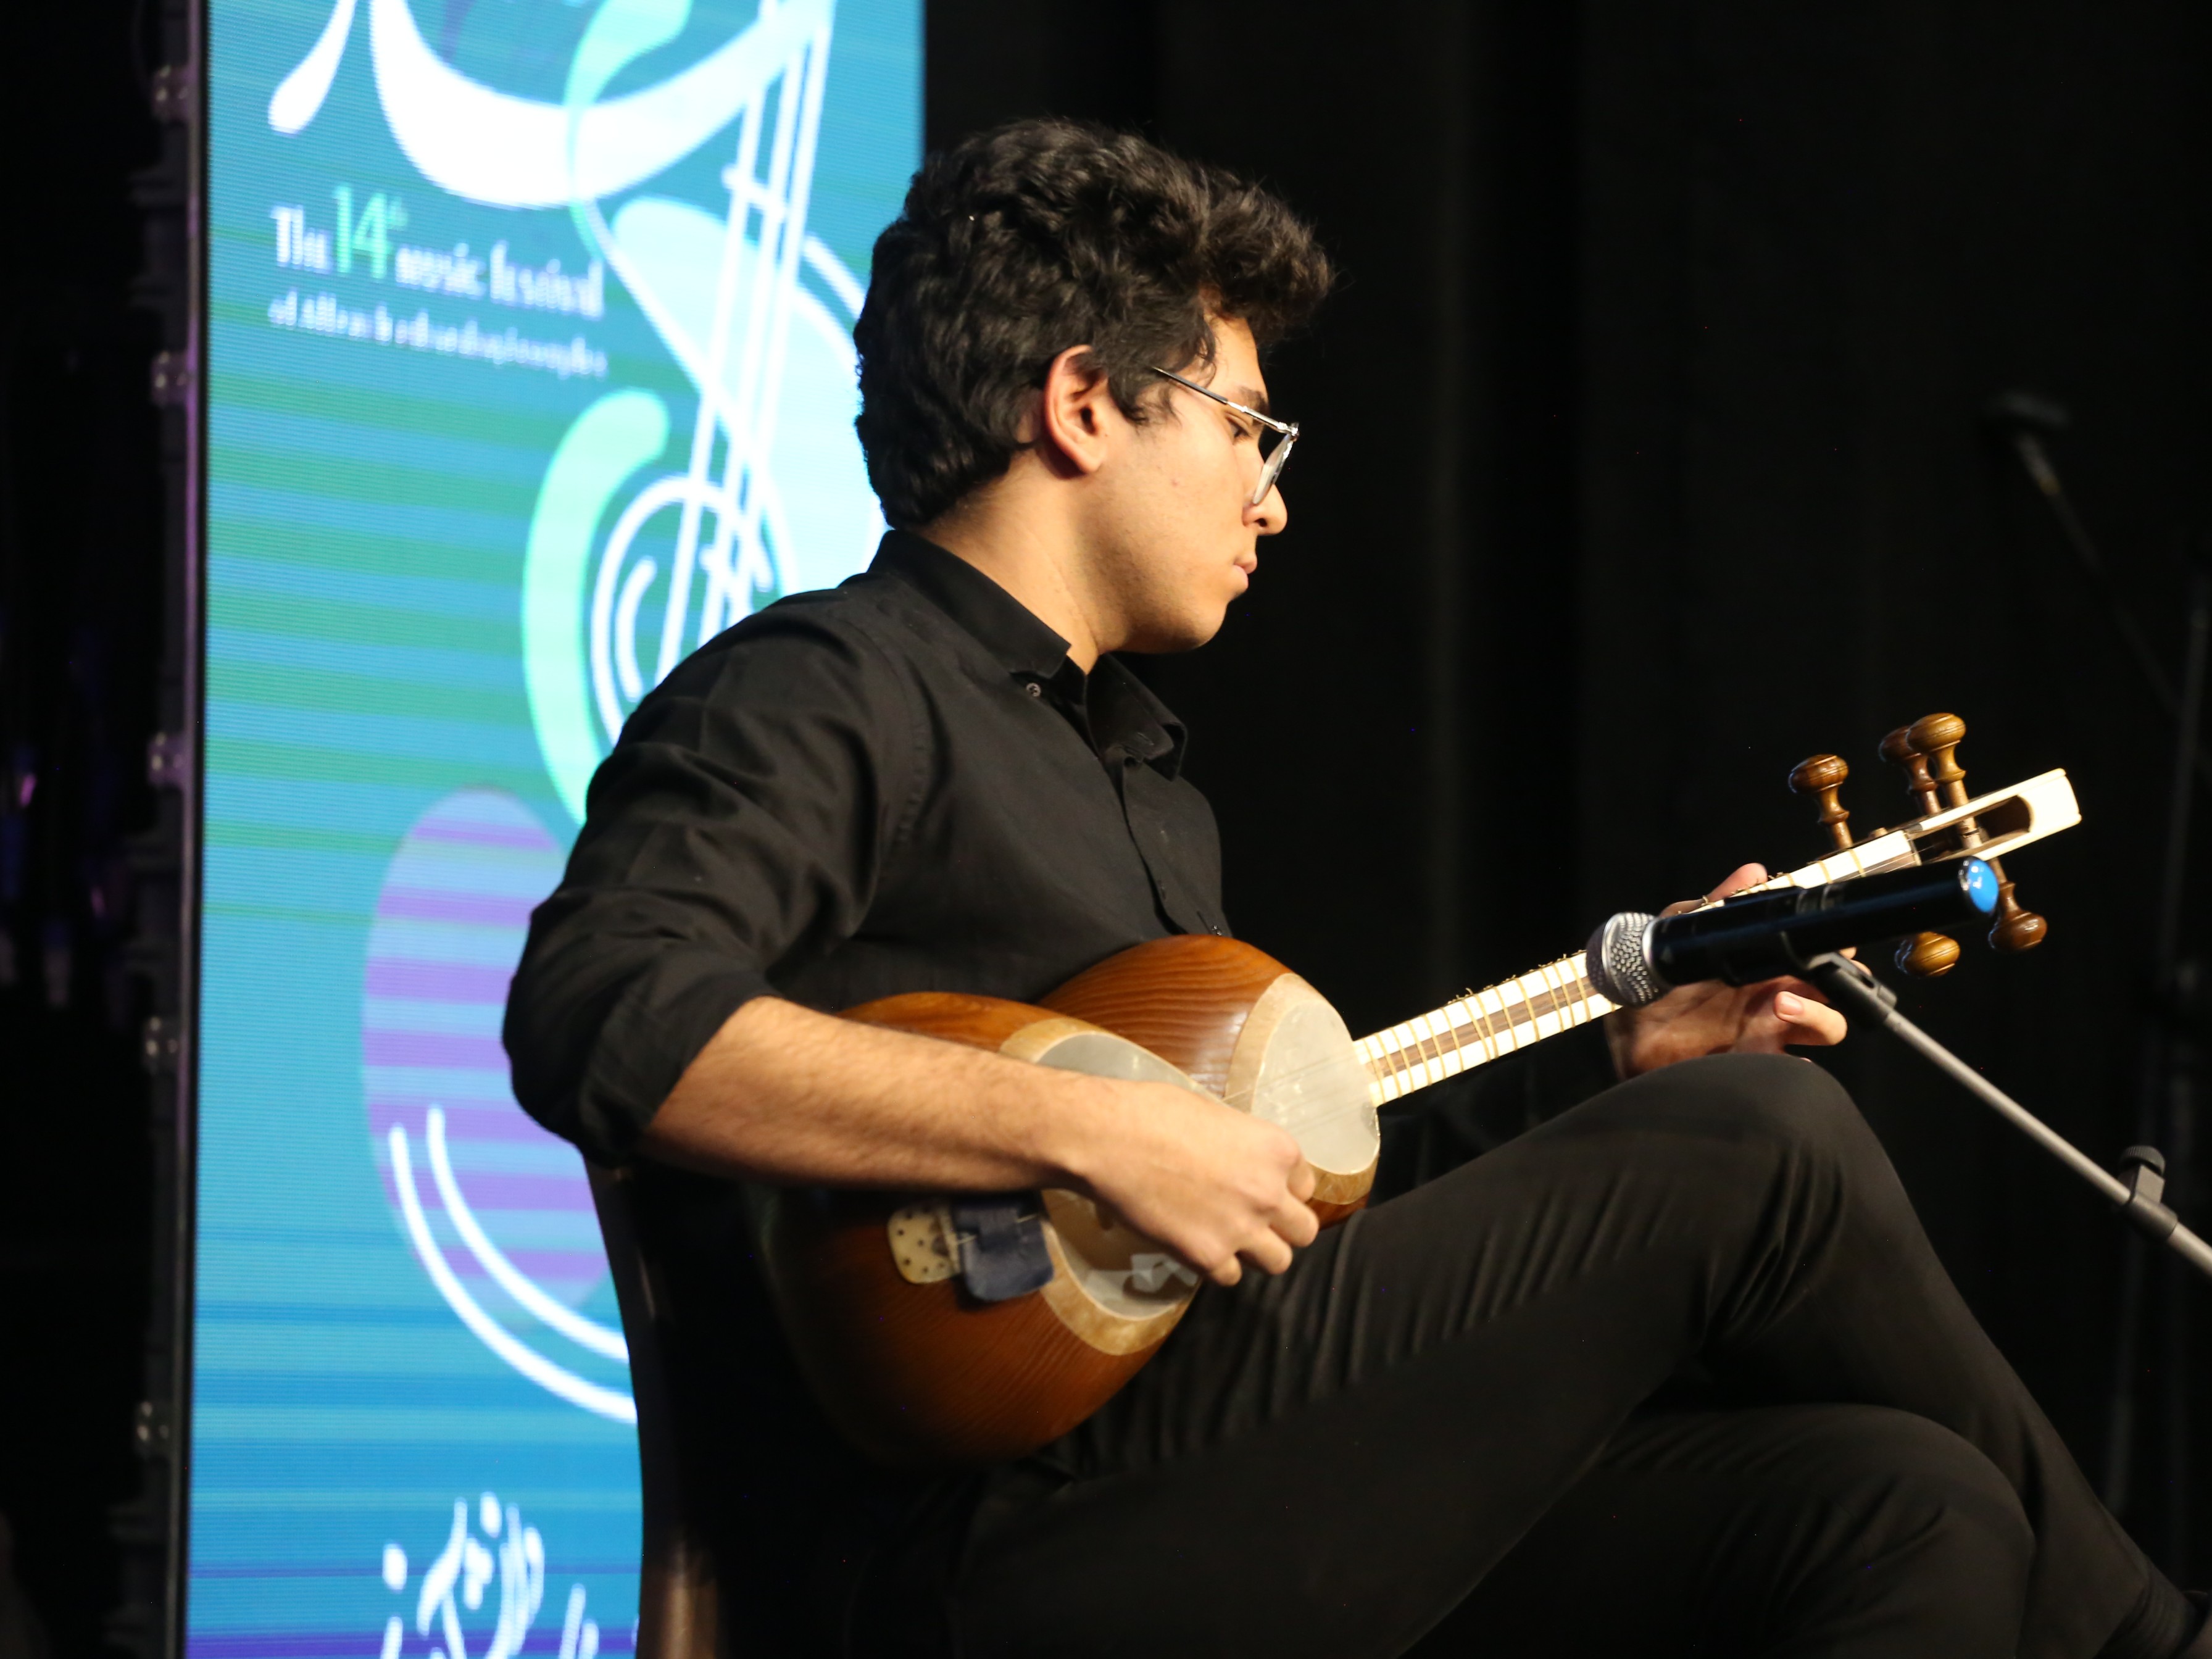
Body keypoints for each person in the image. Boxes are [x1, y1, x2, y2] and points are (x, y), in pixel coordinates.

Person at [504, 119, 2202, 1659]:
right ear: (1084, 403)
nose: (1275, 497)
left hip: (1218, 1462)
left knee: (1908, 1507)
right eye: (1247, 427)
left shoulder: (1141, 782)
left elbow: (1276, 1215)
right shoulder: (821, 689)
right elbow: (601, 1011)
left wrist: (1621, 1086)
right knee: (1766, 1141)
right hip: (988, 1549)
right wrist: (1084, 1126)